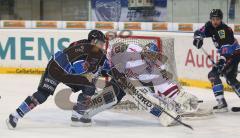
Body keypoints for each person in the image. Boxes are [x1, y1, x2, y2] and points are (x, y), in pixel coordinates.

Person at [6, 30, 107, 129]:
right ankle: (15, 115)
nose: (102, 46)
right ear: (93, 41)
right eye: (100, 43)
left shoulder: (96, 52)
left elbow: (105, 66)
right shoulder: (82, 48)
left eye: (103, 44)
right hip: (55, 69)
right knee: (41, 95)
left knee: (89, 87)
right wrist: (93, 73)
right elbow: (77, 68)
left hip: (69, 74)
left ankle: (77, 115)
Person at [193, 9, 240, 112]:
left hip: (232, 55)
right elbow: (199, 32)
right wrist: (197, 39)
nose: (215, 21)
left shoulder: (223, 30)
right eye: (213, 19)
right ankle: (222, 103)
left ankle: (221, 104)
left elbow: (226, 49)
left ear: (221, 19)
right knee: (231, 79)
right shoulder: (209, 26)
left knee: (213, 75)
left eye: (217, 19)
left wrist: (222, 61)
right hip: (233, 54)